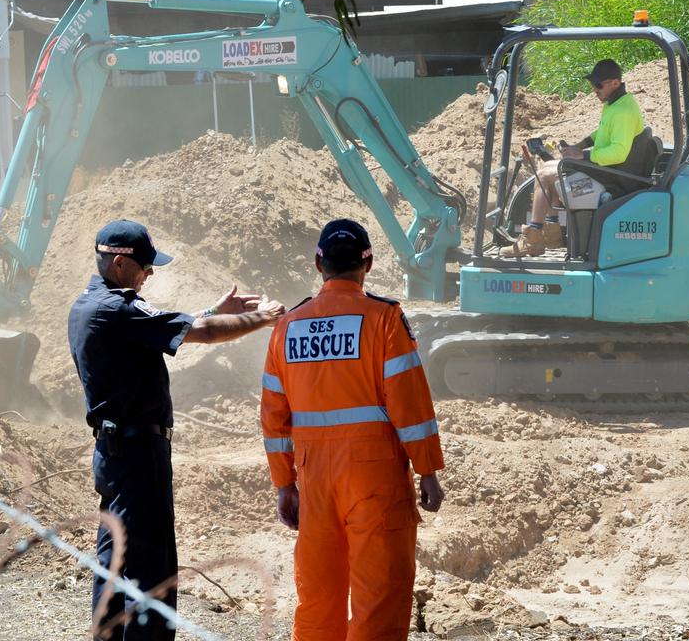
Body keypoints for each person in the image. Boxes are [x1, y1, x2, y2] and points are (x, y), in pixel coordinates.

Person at [68, 219, 286, 641]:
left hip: (115, 453)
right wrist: (264, 318)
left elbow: (172, 328)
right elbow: (196, 333)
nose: (149, 273)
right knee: (152, 569)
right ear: (119, 262)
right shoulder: (116, 308)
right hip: (136, 454)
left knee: (114, 561)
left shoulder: (94, 305)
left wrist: (214, 313)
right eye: (146, 266)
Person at [260, 219, 446, 640]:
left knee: (319, 594)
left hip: (314, 476)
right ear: (369, 264)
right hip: (373, 476)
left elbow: (274, 415)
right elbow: (410, 404)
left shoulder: (287, 327)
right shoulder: (383, 318)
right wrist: (427, 469)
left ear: (317, 264)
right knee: (379, 593)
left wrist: (283, 483)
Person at [503, 58, 646, 258]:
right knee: (553, 170)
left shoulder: (622, 111)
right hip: (609, 170)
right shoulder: (617, 103)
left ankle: (532, 239)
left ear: (615, 82)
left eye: (598, 85)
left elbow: (618, 153)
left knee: (544, 175)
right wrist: (580, 146)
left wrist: (584, 155)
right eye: (593, 85)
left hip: (611, 177)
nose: (594, 90)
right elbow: (603, 133)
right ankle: (552, 235)